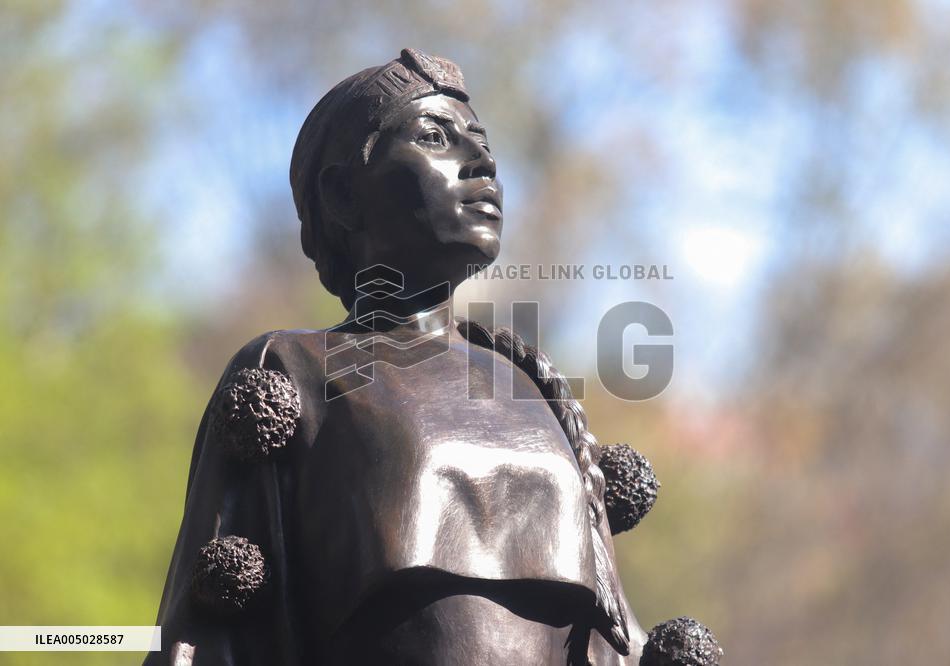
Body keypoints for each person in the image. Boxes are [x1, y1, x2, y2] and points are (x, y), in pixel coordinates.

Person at [145, 48, 712, 666]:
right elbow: (209, 629)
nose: (483, 162)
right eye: (436, 137)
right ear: (341, 196)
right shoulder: (289, 374)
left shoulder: (533, 383)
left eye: (482, 142)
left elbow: (608, 638)